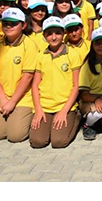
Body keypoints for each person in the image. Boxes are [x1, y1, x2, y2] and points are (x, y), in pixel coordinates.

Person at [0, 7, 38, 142]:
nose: (9, 26)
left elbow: (28, 76)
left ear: (23, 25)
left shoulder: (29, 45)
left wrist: (13, 102)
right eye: (6, 23)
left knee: (16, 136)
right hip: (1, 97)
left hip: (22, 98)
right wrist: (3, 99)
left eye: (14, 23)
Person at [30, 17, 81, 149]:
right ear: (44, 35)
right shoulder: (41, 56)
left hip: (65, 105)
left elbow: (76, 86)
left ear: (64, 33)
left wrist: (64, 111)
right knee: (37, 141)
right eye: (49, 34)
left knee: (59, 141)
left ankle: (75, 118)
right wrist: (38, 110)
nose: (54, 37)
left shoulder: (72, 54)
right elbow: (35, 85)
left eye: (58, 33)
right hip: (45, 106)